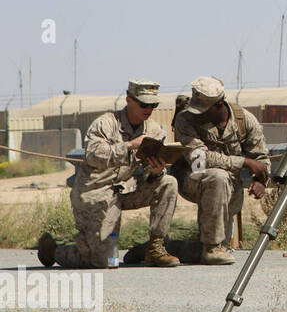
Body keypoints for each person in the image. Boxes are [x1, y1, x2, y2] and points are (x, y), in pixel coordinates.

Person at [36, 80, 180, 268]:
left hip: (128, 190)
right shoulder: (106, 123)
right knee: (104, 261)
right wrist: (129, 145)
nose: (149, 109)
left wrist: (155, 173)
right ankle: (55, 252)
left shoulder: (153, 130)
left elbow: (147, 173)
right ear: (129, 100)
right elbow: (94, 155)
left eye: (153, 105)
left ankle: (155, 248)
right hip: (96, 191)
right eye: (144, 104)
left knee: (168, 183)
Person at [171, 76, 270, 265]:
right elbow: (200, 158)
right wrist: (243, 162)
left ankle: (188, 248)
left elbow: (260, 157)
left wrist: (260, 180)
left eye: (204, 110)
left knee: (222, 250)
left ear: (218, 105)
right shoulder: (185, 120)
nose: (198, 114)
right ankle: (211, 246)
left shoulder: (244, 120)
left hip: (229, 189)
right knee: (218, 176)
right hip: (192, 178)